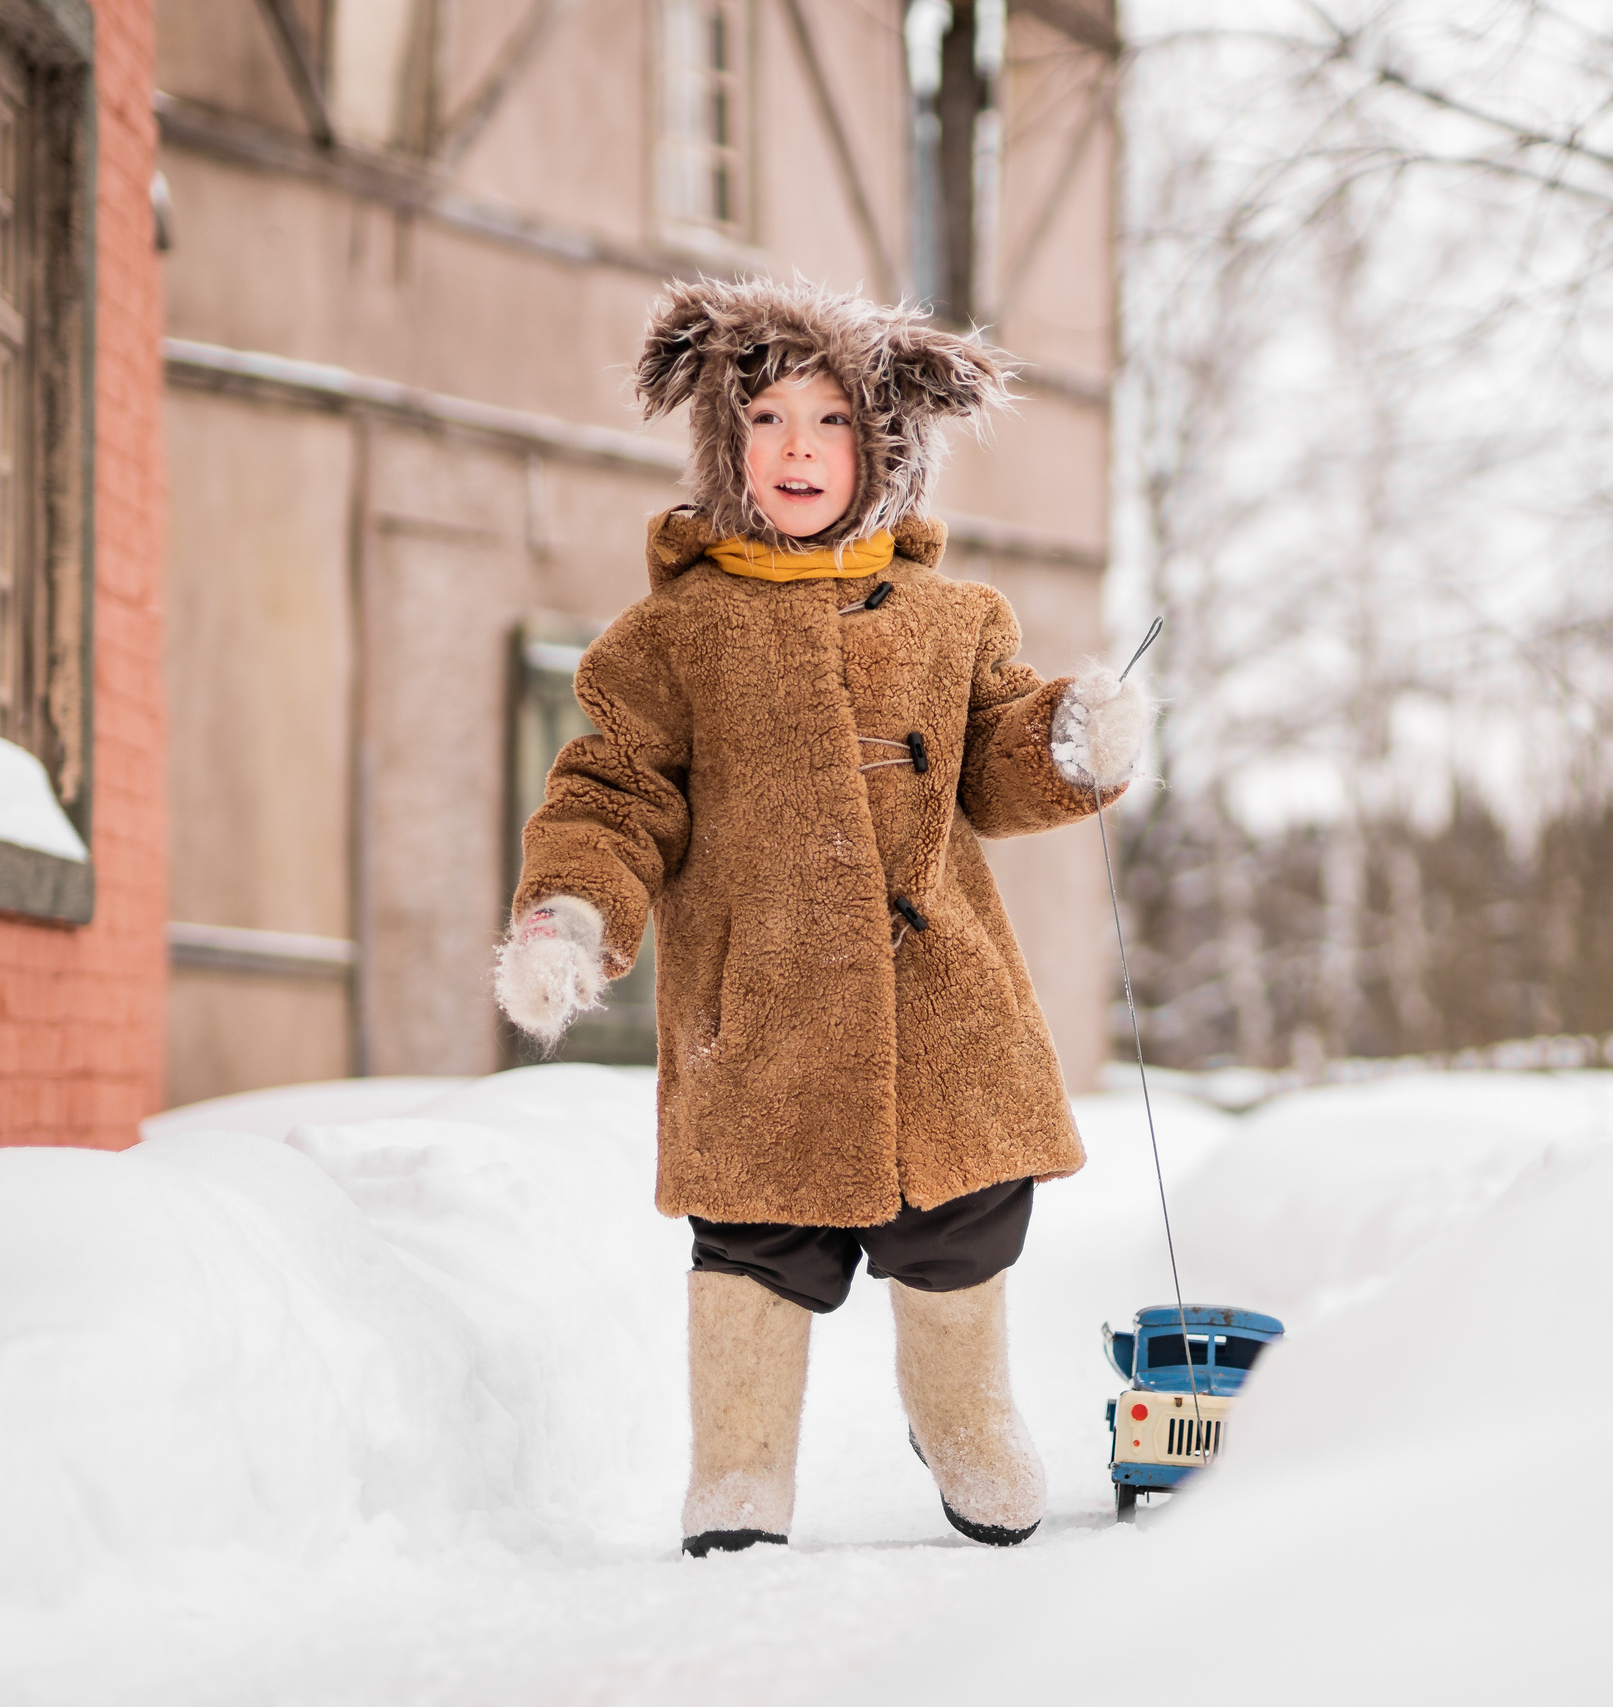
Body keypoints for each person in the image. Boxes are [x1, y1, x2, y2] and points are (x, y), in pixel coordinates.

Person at [492, 277, 1153, 1557]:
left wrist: (1070, 740)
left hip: (940, 1006)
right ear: (724, 446)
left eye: (834, 422)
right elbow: (614, 792)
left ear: (885, 444)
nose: (800, 449)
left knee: (964, 1223)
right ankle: (739, 1469)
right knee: (751, 1241)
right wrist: (573, 915)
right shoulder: (671, 636)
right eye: (769, 419)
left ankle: (960, 1412)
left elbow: (994, 761)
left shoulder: (956, 621)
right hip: (763, 1012)